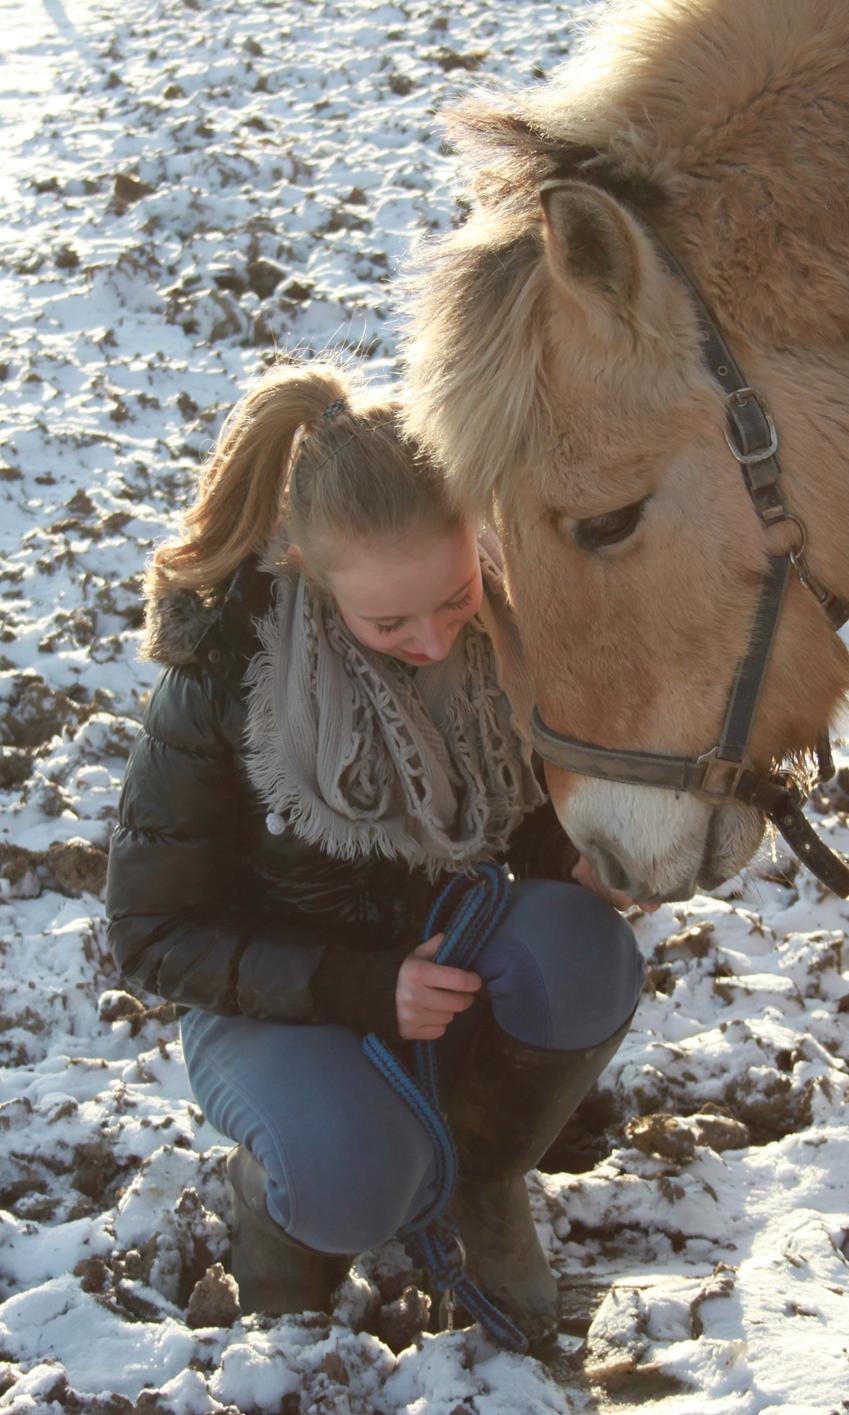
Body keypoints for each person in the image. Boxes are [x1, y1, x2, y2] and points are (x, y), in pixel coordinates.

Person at [104, 358, 646, 1344]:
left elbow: (510, 811)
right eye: (391, 621)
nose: (437, 641)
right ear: (310, 571)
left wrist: (570, 855)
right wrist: (360, 984)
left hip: (442, 970)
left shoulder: (506, 627)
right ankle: (280, 1223)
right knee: (351, 1176)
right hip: (274, 1001)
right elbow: (149, 933)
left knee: (585, 947)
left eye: (454, 596)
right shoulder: (229, 677)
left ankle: (485, 1186)